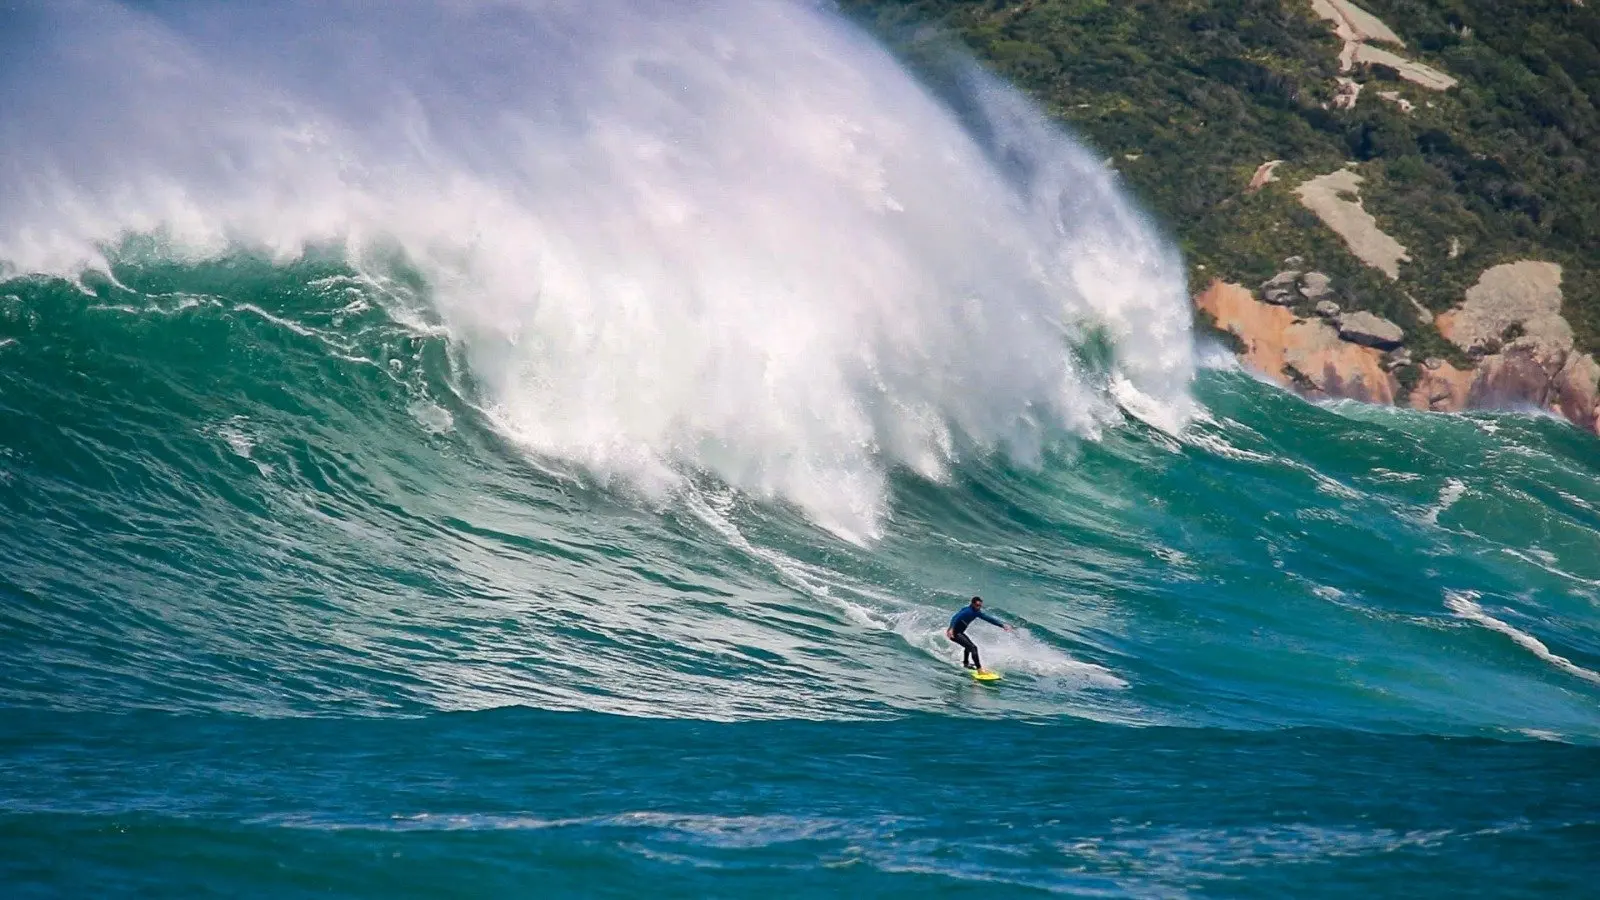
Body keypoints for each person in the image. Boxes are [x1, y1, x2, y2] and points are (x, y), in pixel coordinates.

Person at [946, 596, 1012, 671]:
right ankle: (979, 669)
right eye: (977, 605)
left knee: (968, 646)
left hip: (959, 632)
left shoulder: (976, 612)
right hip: (954, 633)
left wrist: (1002, 625)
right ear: (972, 604)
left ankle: (966, 663)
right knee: (973, 648)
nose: (979, 607)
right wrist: (951, 628)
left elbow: (988, 619)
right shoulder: (967, 611)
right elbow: (955, 617)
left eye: (980, 606)